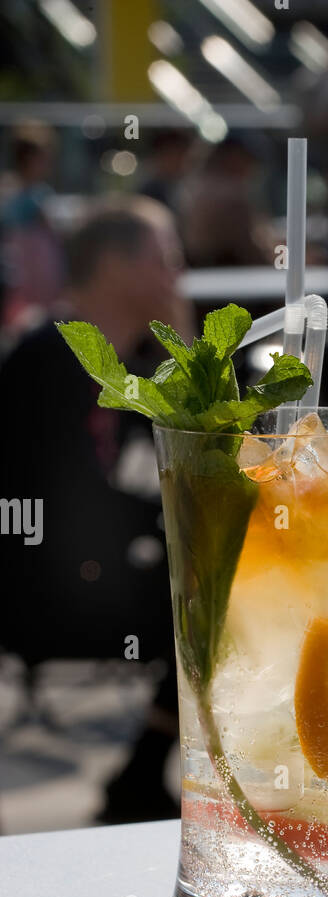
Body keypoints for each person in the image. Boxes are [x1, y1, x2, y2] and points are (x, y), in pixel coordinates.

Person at [0, 196, 191, 822]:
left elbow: (205, 449)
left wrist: (184, 344)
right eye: (166, 260)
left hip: (96, 570)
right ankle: (139, 777)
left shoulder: (129, 362)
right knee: (209, 605)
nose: (177, 277)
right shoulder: (47, 359)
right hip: (38, 591)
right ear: (115, 266)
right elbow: (65, 509)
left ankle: (142, 775)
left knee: (221, 590)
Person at [0, 123, 65, 332]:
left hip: (36, 265)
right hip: (29, 263)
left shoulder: (36, 192)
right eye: (43, 160)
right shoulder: (19, 192)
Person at [176, 134, 274, 267]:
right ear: (234, 157)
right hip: (226, 274)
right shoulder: (232, 195)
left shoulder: (195, 185)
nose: (252, 168)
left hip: (203, 270)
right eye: (249, 160)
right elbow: (252, 249)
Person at [138, 127, 195, 212]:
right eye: (174, 155)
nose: (181, 161)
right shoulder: (150, 190)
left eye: (183, 154)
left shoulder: (189, 185)